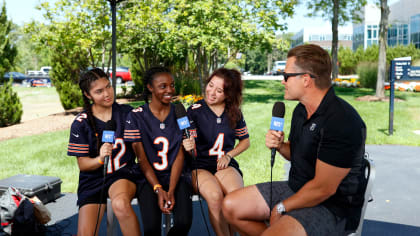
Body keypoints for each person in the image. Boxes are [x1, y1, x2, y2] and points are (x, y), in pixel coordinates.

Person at [222, 44, 367, 236]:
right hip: (297, 188)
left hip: (332, 207)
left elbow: (323, 189)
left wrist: (282, 207)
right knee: (231, 207)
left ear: (306, 79)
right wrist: (281, 146)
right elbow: (298, 154)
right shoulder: (301, 110)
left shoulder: (342, 121)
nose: (283, 81)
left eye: (286, 76)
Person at [67, 68, 141, 236]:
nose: (107, 93)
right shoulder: (81, 123)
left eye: (108, 86)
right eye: (99, 91)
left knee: (120, 204)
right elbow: (84, 165)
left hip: (122, 173)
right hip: (93, 179)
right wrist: (100, 158)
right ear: (88, 95)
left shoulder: (128, 114)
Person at [124, 66, 192, 236]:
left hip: (177, 176)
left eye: (172, 85)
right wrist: (158, 188)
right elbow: (142, 158)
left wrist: (171, 190)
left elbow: (179, 154)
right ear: (150, 88)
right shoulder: (136, 116)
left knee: (183, 223)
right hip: (148, 178)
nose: (170, 90)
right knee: (151, 229)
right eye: (163, 86)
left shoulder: (179, 113)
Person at [182, 68, 250, 236]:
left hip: (223, 163)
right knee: (214, 196)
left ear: (228, 94)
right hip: (200, 165)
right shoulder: (194, 111)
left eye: (219, 90)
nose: (211, 92)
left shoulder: (234, 112)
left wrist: (228, 155)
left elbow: (245, 142)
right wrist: (187, 144)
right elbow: (186, 140)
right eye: (210, 85)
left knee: (236, 197)